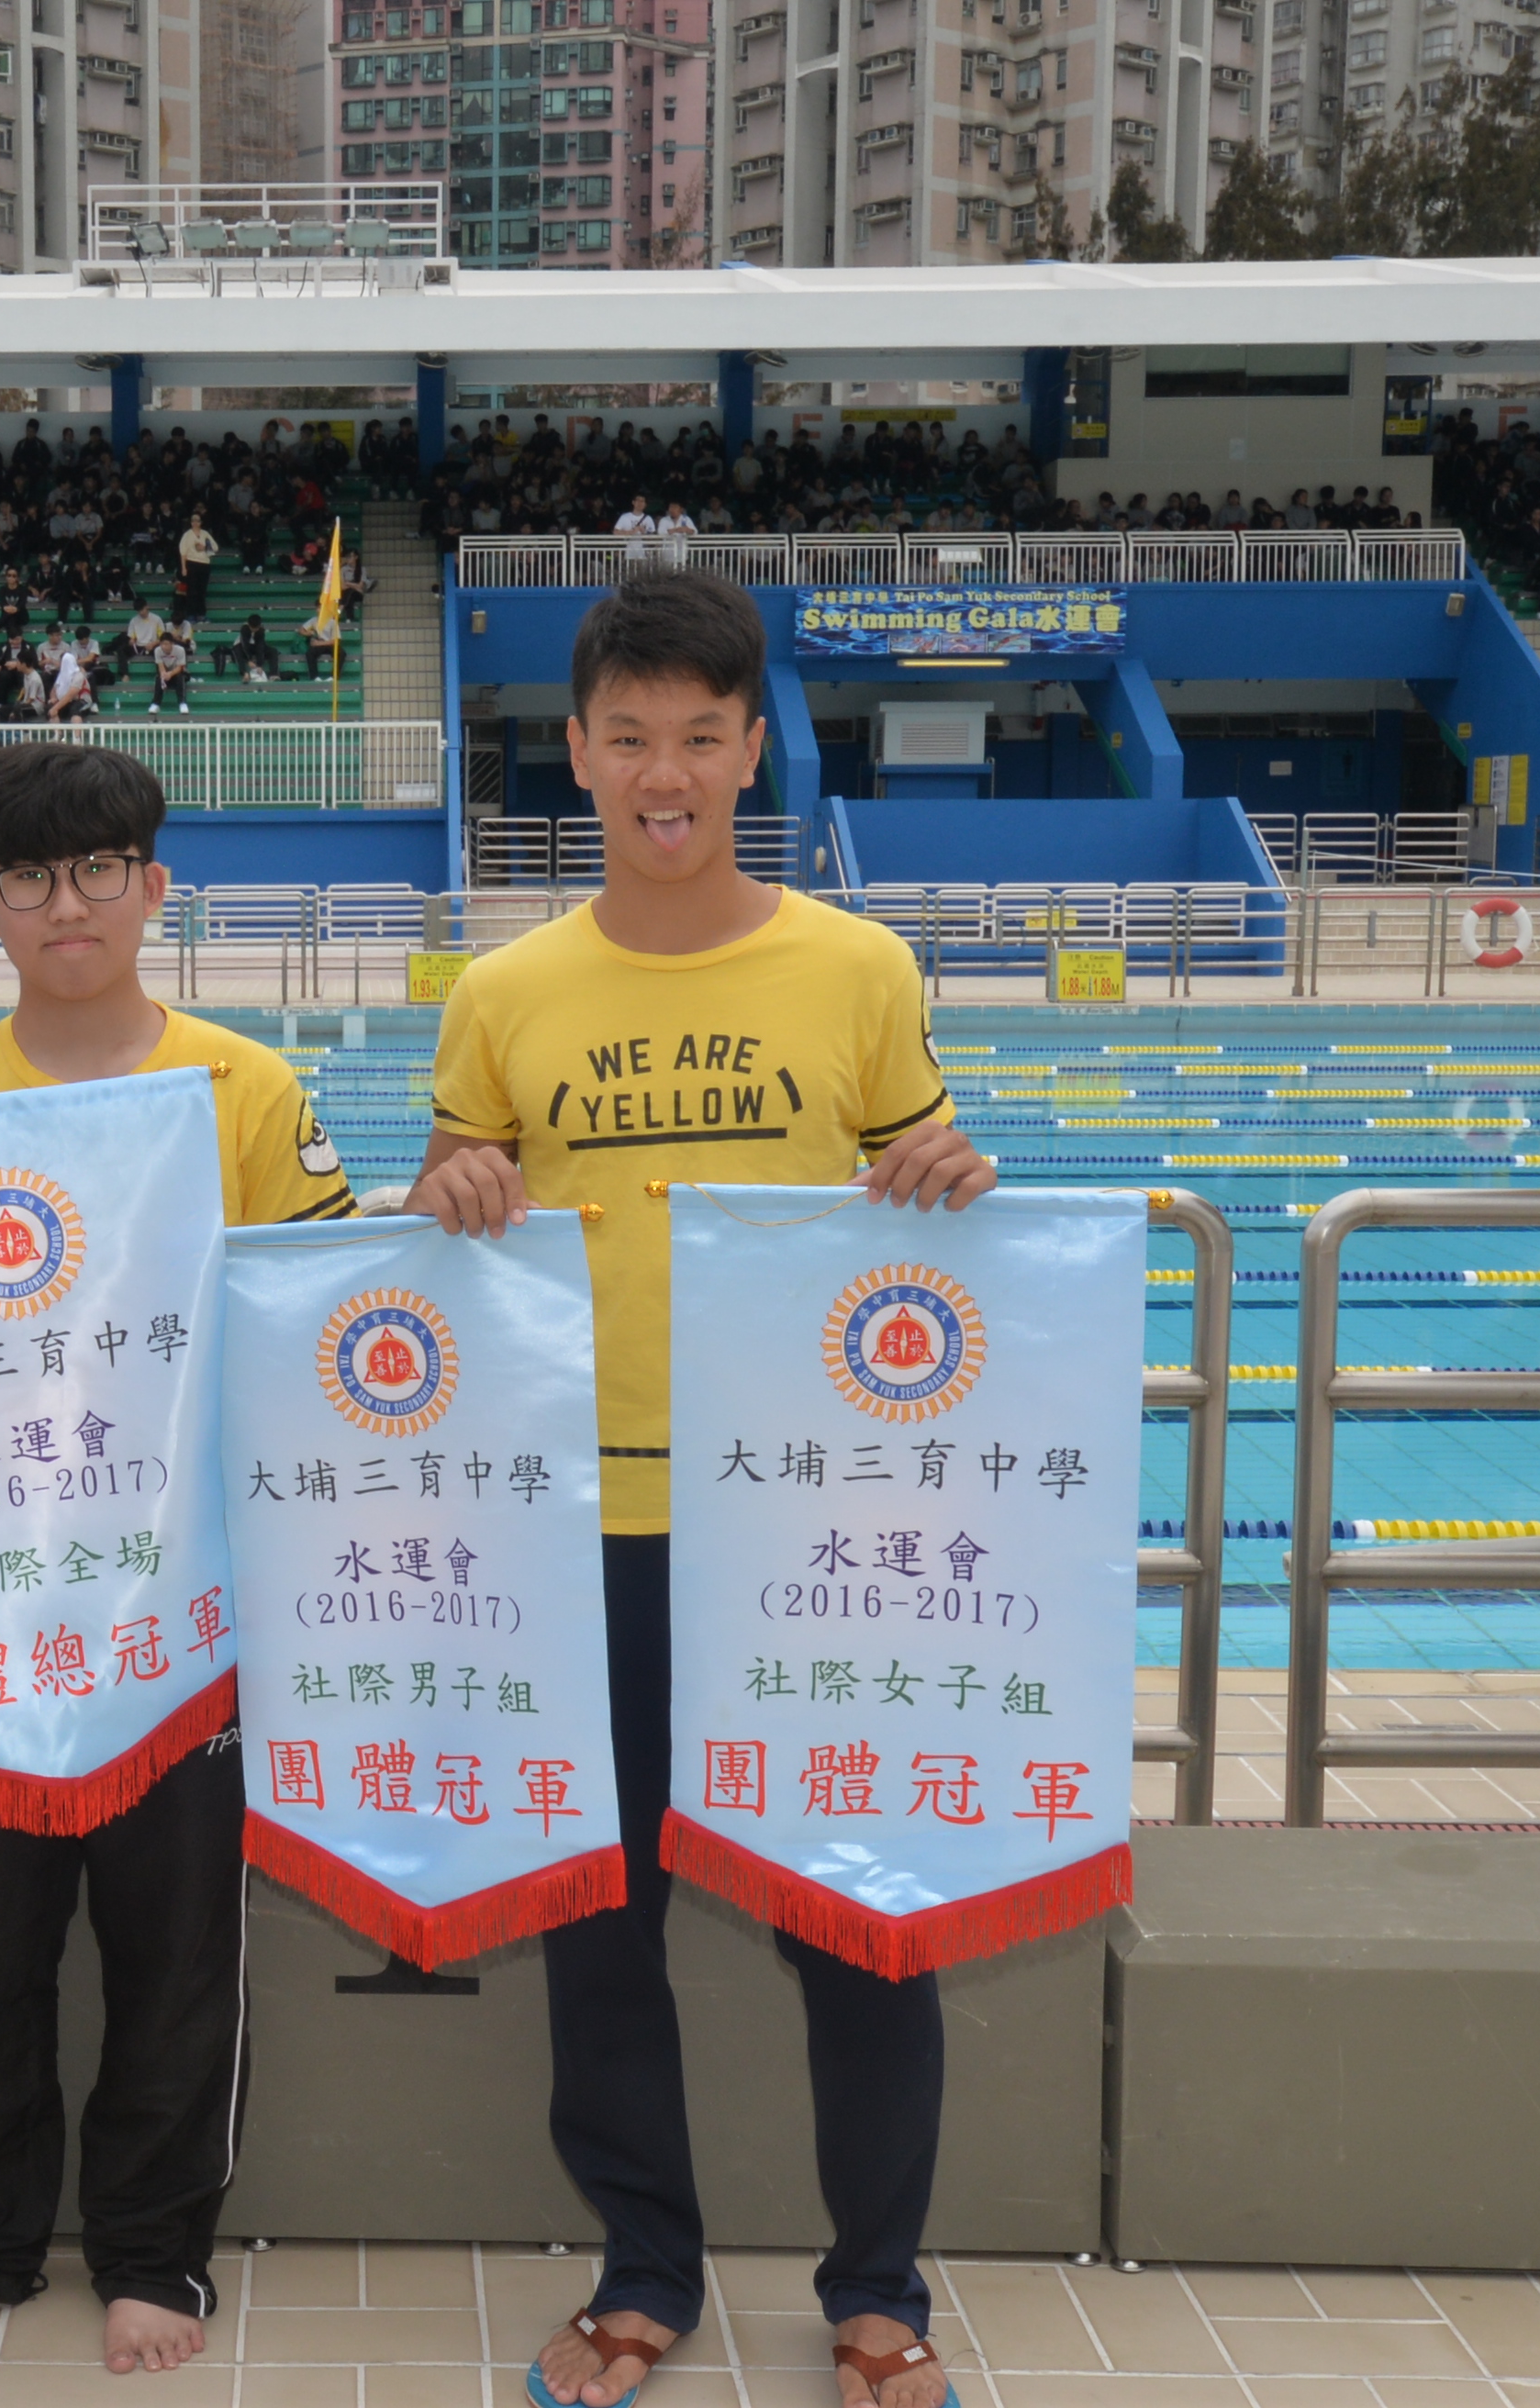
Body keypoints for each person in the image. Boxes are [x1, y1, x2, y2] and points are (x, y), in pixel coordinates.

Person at [403, 572, 992, 2408]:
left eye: (701, 737)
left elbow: (914, 1189)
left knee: (861, 1917)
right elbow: (449, 1208)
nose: (666, 773)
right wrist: (446, 1190)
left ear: (752, 752)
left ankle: (878, 2292)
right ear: (578, 754)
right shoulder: (506, 991)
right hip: (587, 1530)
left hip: (803, 1523)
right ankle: (643, 2270)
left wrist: (949, 1175)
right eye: (630, 737)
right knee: (602, 1932)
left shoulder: (859, 971)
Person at [0, 743, 355, 2381]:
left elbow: (319, 1325)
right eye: (31, 877)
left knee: (178, 1952)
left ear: (154, 886)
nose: (70, 904)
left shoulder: (246, 1090)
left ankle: (153, 2252)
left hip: (183, 1611)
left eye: (101, 868)